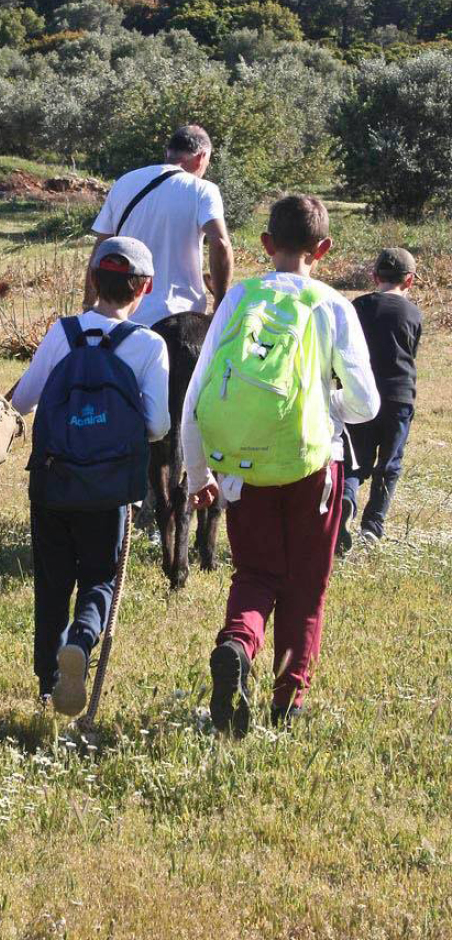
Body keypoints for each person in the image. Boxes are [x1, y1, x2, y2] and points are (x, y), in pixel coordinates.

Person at [181, 194, 379, 733]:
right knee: (306, 585)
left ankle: (237, 644)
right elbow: (366, 404)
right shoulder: (332, 305)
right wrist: (323, 403)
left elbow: (197, 397)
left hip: (244, 468)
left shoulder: (238, 299)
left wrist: (199, 475)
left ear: (266, 244)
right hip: (315, 466)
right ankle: (288, 701)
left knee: (255, 573)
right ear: (324, 248)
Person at [11, 237, 170, 715]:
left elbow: (22, 401)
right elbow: (157, 426)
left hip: (53, 483)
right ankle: (81, 640)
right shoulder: (149, 345)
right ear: (144, 288)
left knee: (52, 584)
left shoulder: (61, 333)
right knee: (100, 578)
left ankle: (48, 685)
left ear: (93, 279)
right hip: (110, 491)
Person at [87, 124, 233, 326]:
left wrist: (89, 303)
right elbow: (221, 244)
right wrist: (220, 301)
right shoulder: (203, 190)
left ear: (167, 152)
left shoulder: (125, 182)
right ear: (201, 157)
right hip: (179, 318)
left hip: (124, 314)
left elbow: (102, 248)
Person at [338, 247, 422, 551]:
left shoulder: (357, 307)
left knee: (354, 461)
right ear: (409, 280)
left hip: (361, 396)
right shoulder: (413, 313)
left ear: (374, 276)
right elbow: (411, 352)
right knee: (390, 464)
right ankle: (372, 527)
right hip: (399, 398)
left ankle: (347, 499)